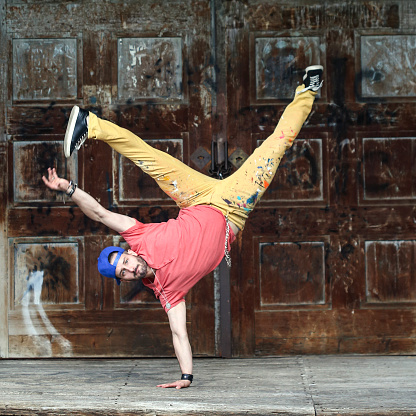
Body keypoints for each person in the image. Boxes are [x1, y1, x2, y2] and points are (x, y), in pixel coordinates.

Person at [42, 65, 324, 389]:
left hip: (197, 197)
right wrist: (186, 376)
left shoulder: (139, 237)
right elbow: (179, 334)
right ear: (126, 279)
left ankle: (91, 124)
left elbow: (101, 214)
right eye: (125, 274)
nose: (131, 269)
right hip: (232, 211)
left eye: (126, 262)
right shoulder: (168, 293)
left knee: (149, 158)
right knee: (274, 149)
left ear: (129, 252)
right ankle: (308, 92)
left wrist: (69, 189)